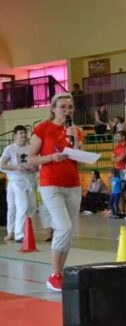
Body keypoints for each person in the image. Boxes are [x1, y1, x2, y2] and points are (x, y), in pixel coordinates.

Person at [27, 92, 84, 291]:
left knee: (69, 232)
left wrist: (75, 142)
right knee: (63, 228)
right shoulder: (43, 128)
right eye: (63, 107)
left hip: (73, 185)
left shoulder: (76, 131)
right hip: (51, 184)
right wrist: (52, 157)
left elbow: (78, 161)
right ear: (53, 109)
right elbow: (31, 159)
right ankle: (54, 274)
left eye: (70, 107)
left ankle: (59, 273)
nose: (67, 110)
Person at [0, 125, 36, 244]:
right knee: (20, 206)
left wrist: (33, 168)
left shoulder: (31, 148)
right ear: (15, 135)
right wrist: (16, 167)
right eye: (21, 133)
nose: (23, 135)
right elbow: (2, 165)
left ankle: (21, 231)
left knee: (31, 207)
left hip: (29, 180)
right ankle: (17, 234)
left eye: (25, 133)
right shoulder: (10, 148)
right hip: (15, 180)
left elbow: (36, 165)